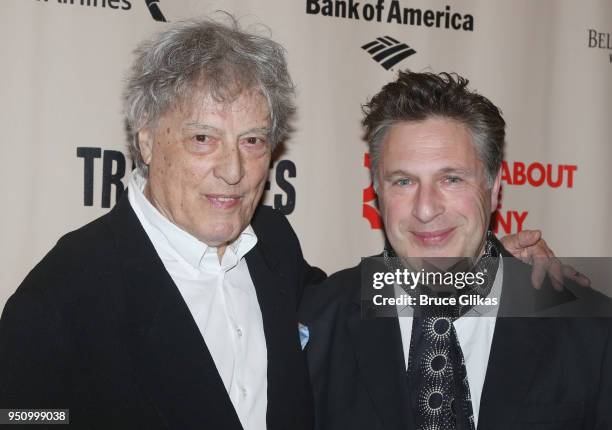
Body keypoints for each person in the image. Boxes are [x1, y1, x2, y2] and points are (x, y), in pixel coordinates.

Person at [0, 17, 586, 430]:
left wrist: (488, 268)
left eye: (253, 140)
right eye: (204, 138)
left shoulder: (272, 248)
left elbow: (363, 299)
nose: (232, 169)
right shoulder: (62, 295)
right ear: (148, 139)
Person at [301, 70, 612, 430]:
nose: (426, 208)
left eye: (451, 179)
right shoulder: (319, 322)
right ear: (377, 192)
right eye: (403, 181)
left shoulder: (591, 327)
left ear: (494, 187)